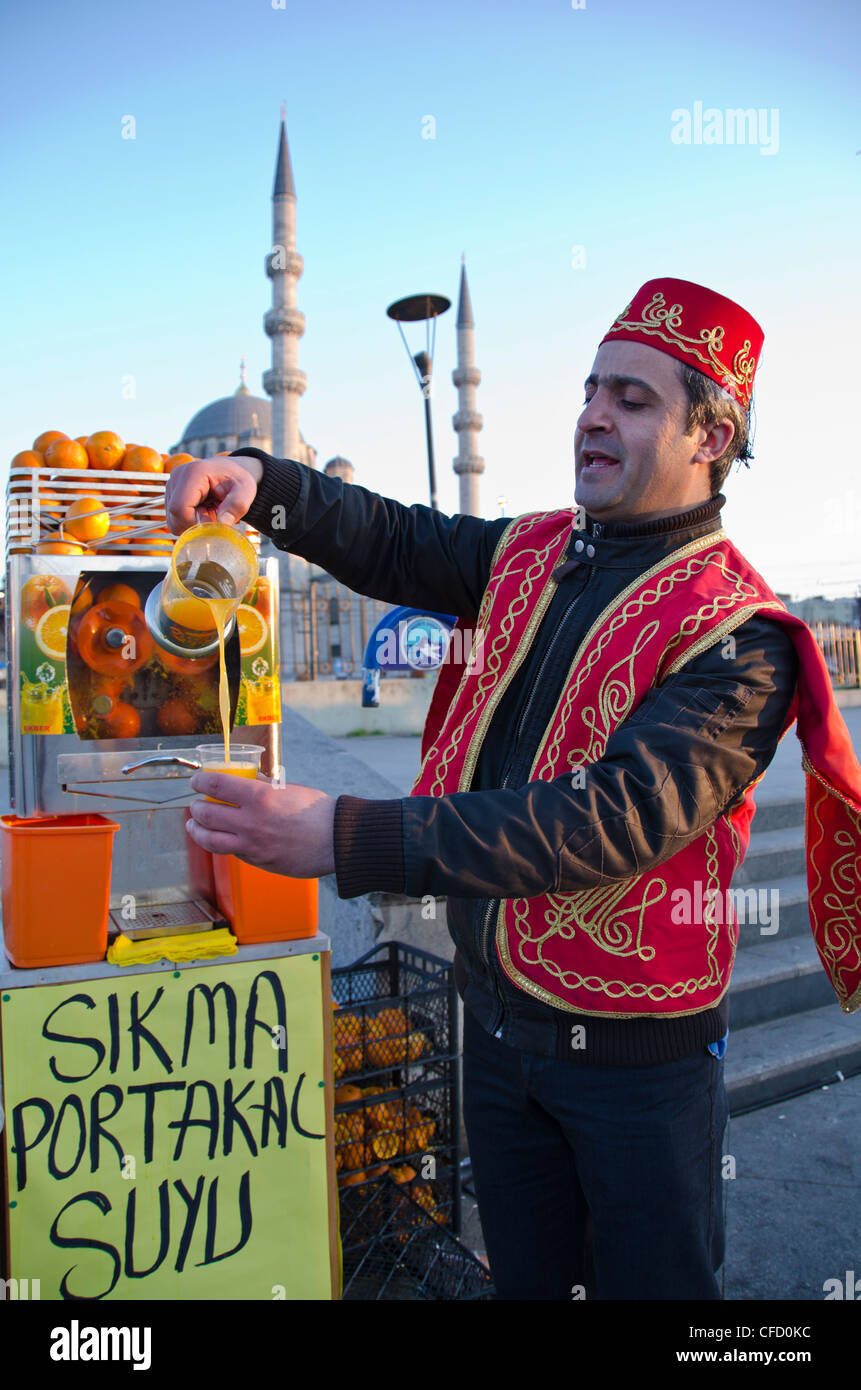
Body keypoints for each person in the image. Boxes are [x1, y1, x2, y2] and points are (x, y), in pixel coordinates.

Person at [166, 276, 861, 1301]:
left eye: (633, 399)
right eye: (591, 389)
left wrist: (347, 837)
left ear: (711, 437)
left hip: (635, 1070)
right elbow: (395, 537)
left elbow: (609, 817)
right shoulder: (530, 551)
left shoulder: (740, 632)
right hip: (495, 1029)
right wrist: (262, 484)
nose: (592, 413)